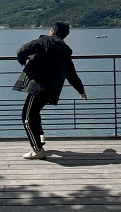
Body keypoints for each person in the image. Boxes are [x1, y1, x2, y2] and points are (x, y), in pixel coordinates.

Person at [12, 21, 87, 160]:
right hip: (52, 89)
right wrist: (81, 90)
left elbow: (22, 50)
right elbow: (71, 73)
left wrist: (22, 60)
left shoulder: (44, 41)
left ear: (52, 31)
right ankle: (39, 139)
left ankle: (37, 149)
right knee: (35, 114)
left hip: (39, 86)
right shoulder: (65, 50)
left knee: (27, 117)